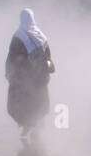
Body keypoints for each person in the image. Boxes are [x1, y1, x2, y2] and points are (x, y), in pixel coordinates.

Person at [5, 8, 54, 144]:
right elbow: (48, 56)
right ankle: (34, 127)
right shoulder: (41, 36)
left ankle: (28, 127)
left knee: (24, 103)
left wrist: (10, 72)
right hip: (40, 77)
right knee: (38, 102)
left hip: (25, 78)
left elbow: (13, 56)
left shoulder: (18, 36)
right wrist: (48, 72)